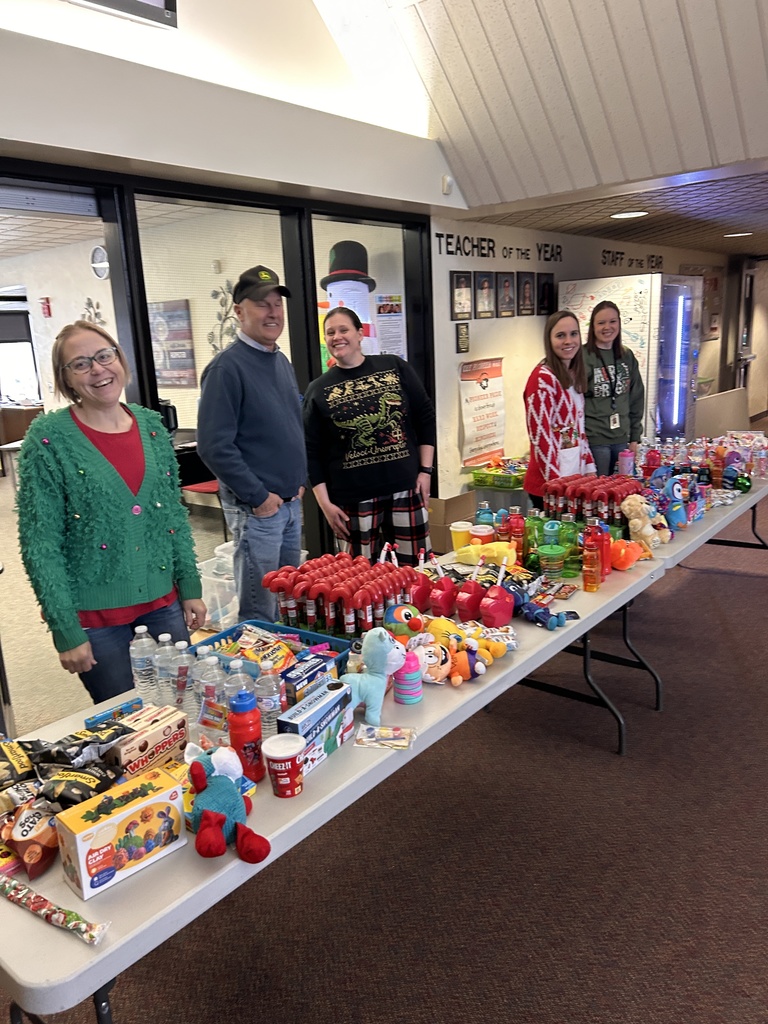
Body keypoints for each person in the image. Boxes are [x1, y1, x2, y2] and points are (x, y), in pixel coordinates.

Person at [16, 321, 205, 704]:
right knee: (130, 726)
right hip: (96, 619)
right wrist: (64, 627)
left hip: (162, 605)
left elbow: (171, 516)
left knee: (187, 707)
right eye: (81, 364)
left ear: (120, 360)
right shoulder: (49, 439)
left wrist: (189, 586)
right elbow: (40, 542)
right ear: (66, 379)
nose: (98, 370)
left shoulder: (151, 426)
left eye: (105, 356)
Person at [197, 265, 306, 624]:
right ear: (239, 311)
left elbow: (289, 425)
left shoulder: (279, 361)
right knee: (261, 611)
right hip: (259, 511)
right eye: (262, 304)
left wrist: (299, 481)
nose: (273, 313)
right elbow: (214, 446)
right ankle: (262, 677)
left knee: (290, 600)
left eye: (278, 304)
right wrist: (259, 498)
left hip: (290, 505)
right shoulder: (227, 369)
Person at [303, 307, 436, 565]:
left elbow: (425, 416)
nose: (337, 337)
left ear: (360, 333)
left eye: (344, 330)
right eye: (330, 333)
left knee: (416, 570)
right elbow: (310, 450)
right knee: (358, 577)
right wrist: (324, 504)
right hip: (353, 497)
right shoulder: (317, 390)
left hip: (404, 487)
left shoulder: (394, 366)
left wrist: (425, 471)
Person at [523, 310, 595, 508]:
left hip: (573, 481)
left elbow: (578, 431)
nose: (568, 341)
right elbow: (541, 437)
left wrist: (589, 469)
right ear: (549, 340)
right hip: (550, 487)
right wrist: (555, 485)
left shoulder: (573, 375)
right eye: (560, 335)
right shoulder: (542, 379)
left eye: (573, 334)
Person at [583, 300, 646, 476]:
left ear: (619, 323)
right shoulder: (582, 356)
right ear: (593, 326)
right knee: (600, 494)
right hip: (594, 440)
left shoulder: (626, 356)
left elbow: (636, 397)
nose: (607, 327)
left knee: (623, 493)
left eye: (612, 321)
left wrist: (635, 437)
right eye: (601, 323)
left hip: (622, 438)